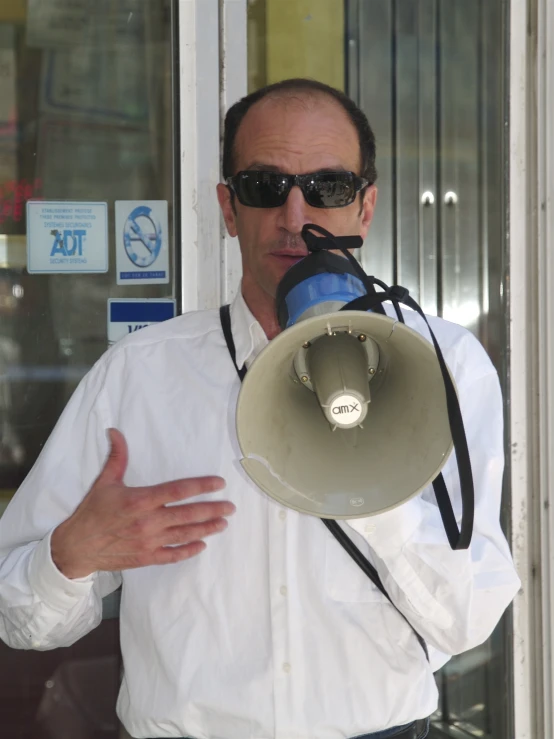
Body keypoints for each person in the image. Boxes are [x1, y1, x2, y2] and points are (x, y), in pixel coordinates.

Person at [0, 78, 520, 739]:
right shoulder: (140, 376)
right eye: (264, 186)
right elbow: (16, 616)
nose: (294, 213)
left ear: (366, 207)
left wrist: (374, 480)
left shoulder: (442, 367)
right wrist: (70, 553)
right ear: (227, 206)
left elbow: (468, 618)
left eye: (327, 187)